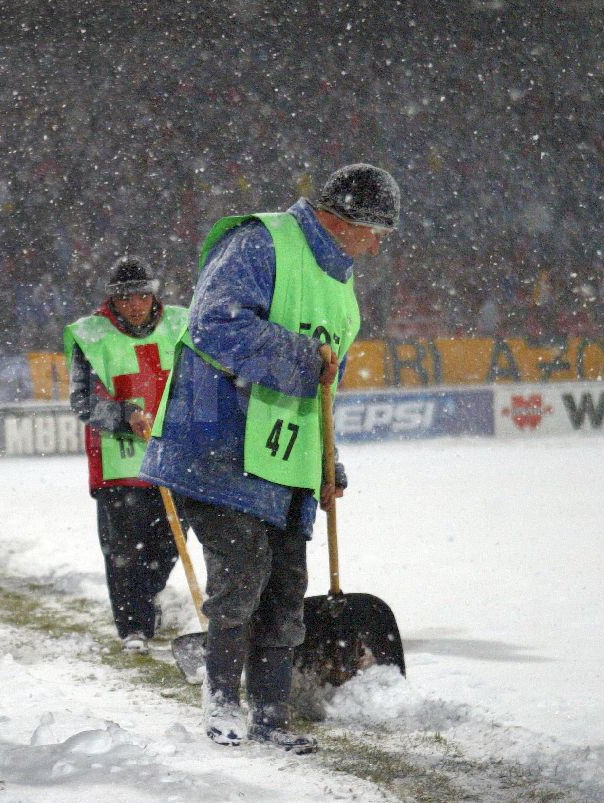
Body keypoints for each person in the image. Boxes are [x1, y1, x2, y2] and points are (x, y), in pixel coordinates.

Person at [140, 164, 400, 754]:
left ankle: (271, 718)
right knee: (243, 573)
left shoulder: (345, 291)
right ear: (345, 220)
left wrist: (326, 462)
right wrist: (304, 358)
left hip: (284, 460)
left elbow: (324, 394)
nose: (380, 243)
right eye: (378, 229)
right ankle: (224, 704)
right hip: (216, 443)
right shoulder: (260, 242)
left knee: (287, 587)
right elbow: (215, 323)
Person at [63, 258, 189, 654]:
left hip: (173, 461)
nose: (135, 305)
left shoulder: (181, 325)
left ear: (155, 294)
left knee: (169, 545)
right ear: (112, 299)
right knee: (123, 552)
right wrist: (124, 415)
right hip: (118, 465)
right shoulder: (91, 336)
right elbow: (82, 401)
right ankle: (133, 627)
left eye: (142, 296)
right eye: (126, 298)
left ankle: (146, 601)